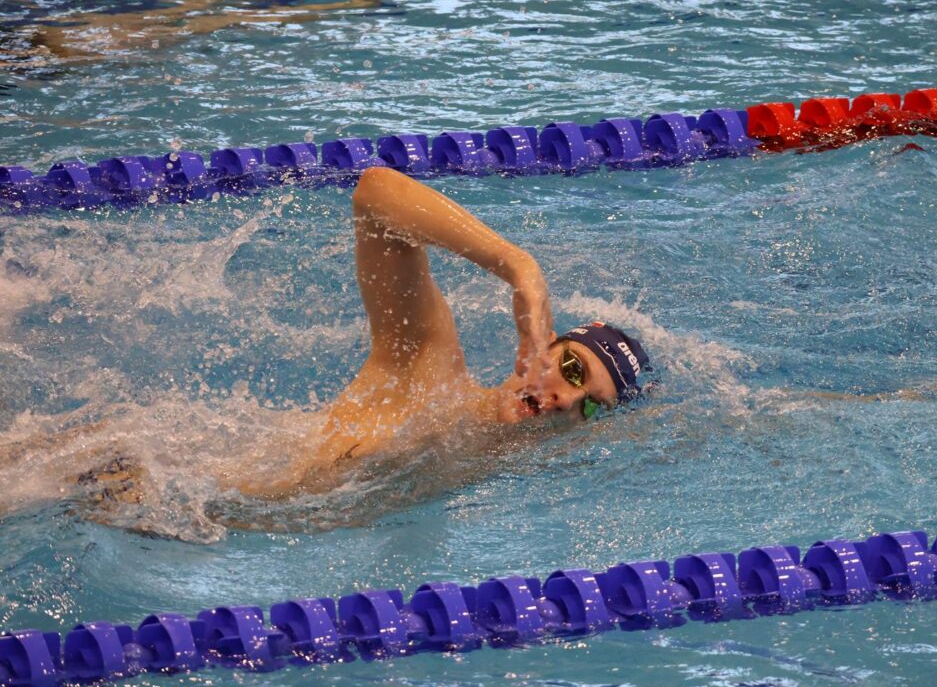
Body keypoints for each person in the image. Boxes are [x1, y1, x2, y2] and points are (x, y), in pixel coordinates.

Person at [223, 167, 650, 499]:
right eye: (574, 371)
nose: (568, 401)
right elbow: (375, 195)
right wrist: (520, 267)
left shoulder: (475, 476)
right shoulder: (430, 376)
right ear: (544, 345)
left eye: (592, 407)